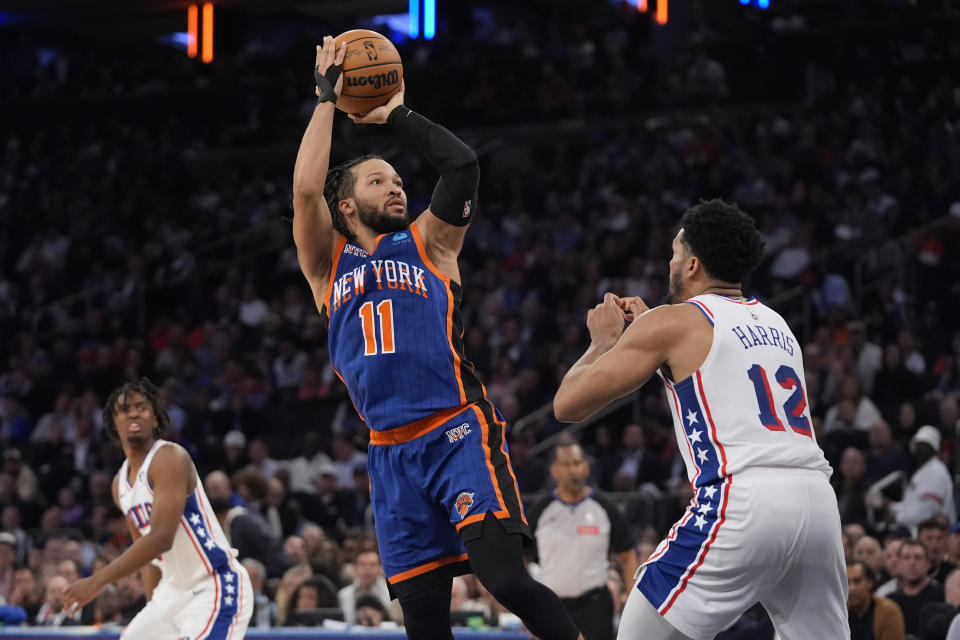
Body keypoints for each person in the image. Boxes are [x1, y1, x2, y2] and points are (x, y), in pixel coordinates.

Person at [290, 37, 582, 640]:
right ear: (345, 203)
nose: (396, 186)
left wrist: (394, 113)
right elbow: (302, 191)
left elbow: (463, 166)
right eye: (379, 180)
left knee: (504, 579)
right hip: (389, 452)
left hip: (456, 431)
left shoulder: (431, 242)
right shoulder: (327, 265)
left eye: (397, 178)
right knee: (423, 622)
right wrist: (326, 99)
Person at [554, 200, 849, 639]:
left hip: (744, 499)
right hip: (817, 503)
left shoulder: (675, 324)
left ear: (692, 264)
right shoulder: (777, 323)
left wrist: (603, 343)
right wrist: (650, 325)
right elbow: (712, 358)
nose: (669, 264)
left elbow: (567, 405)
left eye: (674, 254)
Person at [62, 379, 253, 639]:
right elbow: (148, 556)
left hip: (214, 585)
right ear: (112, 422)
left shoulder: (169, 457)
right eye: (125, 408)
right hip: (170, 594)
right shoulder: (120, 484)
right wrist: (153, 607)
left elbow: (160, 538)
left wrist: (96, 581)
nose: (133, 412)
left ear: (155, 419)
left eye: (142, 407)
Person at [527, 440, 638, 640]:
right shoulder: (541, 509)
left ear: (586, 468)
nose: (573, 470)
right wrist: (525, 603)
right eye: (566, 464)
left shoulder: (605, 507)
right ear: (554, 471)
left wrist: (631, 602)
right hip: (552, 608)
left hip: (595, 607)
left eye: (577, 463)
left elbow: (628, 555)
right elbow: (521, 556)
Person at [888, 539, 945, 637]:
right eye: (906, 558)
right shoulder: (890, 601)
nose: (912, 563)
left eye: (918, 558)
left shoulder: (941, 595)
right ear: (899, 563)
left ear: (928, 563)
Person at [846, 559, 905, 640]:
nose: (852, 588)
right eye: (847, 582)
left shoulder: (889, 611)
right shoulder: (839, 612)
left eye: (857, 581)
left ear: (870, 583)